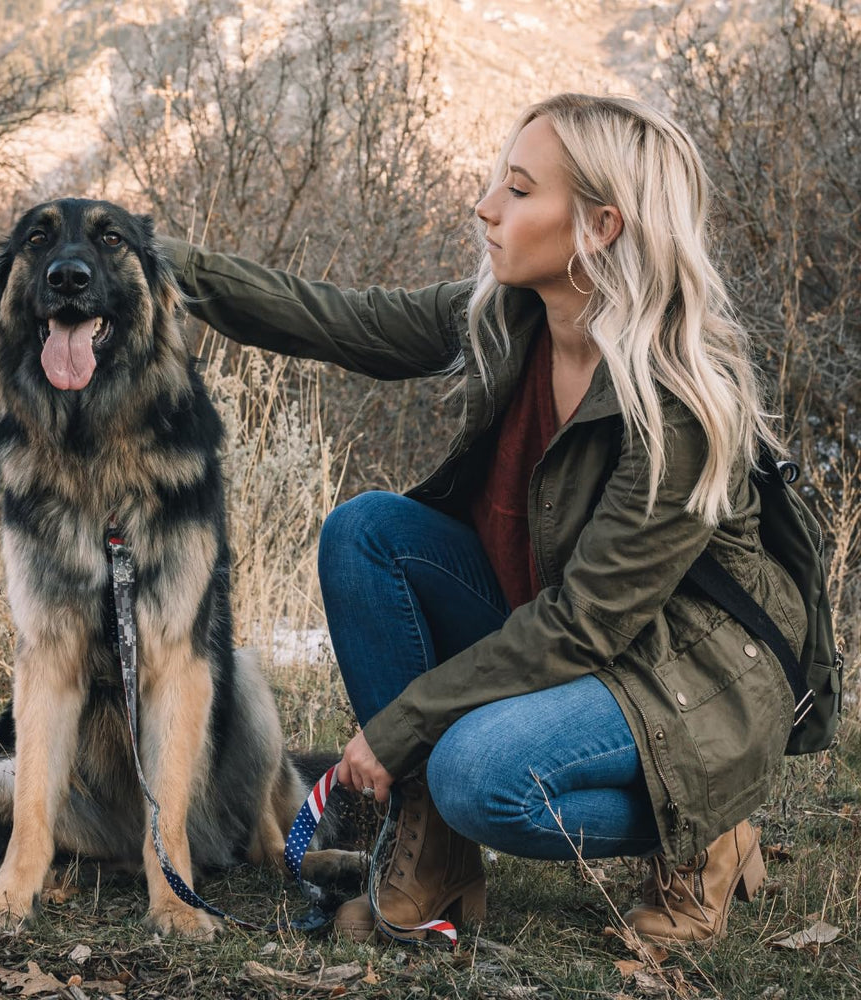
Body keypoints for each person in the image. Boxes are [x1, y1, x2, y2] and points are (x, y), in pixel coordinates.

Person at [160, 92, 805, 945]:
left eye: (519, 189)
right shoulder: (509, 318)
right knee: (366, 535)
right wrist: (162, 261)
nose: (486, 207)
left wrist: (401, 727)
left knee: (478, 775)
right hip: (558, 625)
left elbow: (583, 626)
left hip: (679, 675)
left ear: (600, 226)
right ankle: (434, 858)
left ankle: (708, 820)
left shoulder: (676, 399)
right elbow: (342, 321)